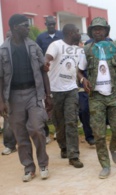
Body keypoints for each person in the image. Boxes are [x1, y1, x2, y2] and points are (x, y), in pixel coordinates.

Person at [78, 17, 116, 179]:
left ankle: (114, 147)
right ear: (91, 31)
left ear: (106, 31)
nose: (98, 31)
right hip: (96, 97)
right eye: (95, 29)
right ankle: (105, 165)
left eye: (101, 29)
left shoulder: (113, 47)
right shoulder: (87, 49)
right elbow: (79, 70)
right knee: (99, 134)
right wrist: (83, 79)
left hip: (113, 94)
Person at [0, 14, 52, 182]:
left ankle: (43, 163)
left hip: (33, 93)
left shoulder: (34, 46)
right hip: (13, 96)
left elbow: (43, 70)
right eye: (25, 25)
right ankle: (29, 168)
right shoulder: (3, 50)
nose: (28, 28)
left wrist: (48, 95)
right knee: (21, 135)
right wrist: (1, 102)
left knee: (37, 128)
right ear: (15, 27)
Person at [45, 24, 84, 168]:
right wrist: (45, 62)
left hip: (71, 89)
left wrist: (82, 79)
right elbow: (47, 58)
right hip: (55, 90)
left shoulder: (78, 50)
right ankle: (64, 147)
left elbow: (77, 68)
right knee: (59, 123)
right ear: (70, 33)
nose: (79, 33)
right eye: (77, 31)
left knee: (71, 122)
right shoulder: (56, 45)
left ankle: (74, 155)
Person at [36, 16, 63, 143]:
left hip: (60, 73)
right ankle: (46, 133)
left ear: (55, 23)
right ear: (45, 24)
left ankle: (59, 131)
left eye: (53, 24)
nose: (51, 26)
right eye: (49, 24)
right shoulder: (40, 38)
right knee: (46, 103)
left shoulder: (62, 35)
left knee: (59, 102)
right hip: (46, 74)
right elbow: (37, 54)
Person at [1, 30, 17, 155]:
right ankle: (10, 145)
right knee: (8, 119)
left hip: (26, 91)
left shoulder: (23, 50)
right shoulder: (1, 52)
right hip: (8, 92)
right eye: (7, 37)